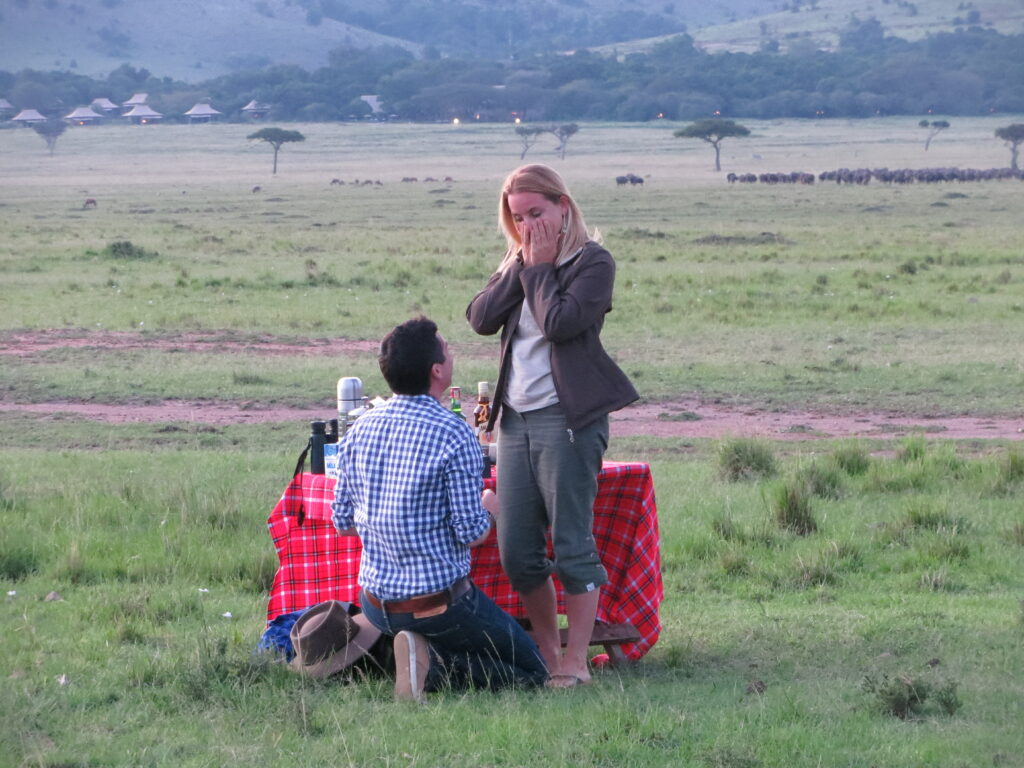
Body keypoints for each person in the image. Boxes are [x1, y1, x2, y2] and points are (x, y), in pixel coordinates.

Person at [466, 164, 638, 687]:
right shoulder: (519, 259)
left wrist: (538, 269)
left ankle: (578, 661)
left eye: (536, 213)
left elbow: (561, 323)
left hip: (568, 420)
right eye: (517, 218)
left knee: (571, 546)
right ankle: (547, 654)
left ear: (563, 206)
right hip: (514, 422)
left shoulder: (593, 261)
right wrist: (523, 263)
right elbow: (479, 318)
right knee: (518, 553)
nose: (527, 226)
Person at [331, 316, 548, 702]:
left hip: (376, 603)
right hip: (437, 604)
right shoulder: (453, 432)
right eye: (448, 350)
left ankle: (396, 650)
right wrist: (492, 509)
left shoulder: (359, 428)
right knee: (533, 669)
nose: (452, 355)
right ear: (437, 371)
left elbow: (343, 523)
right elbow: (471, 533)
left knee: (467, 636)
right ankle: (430, 660)